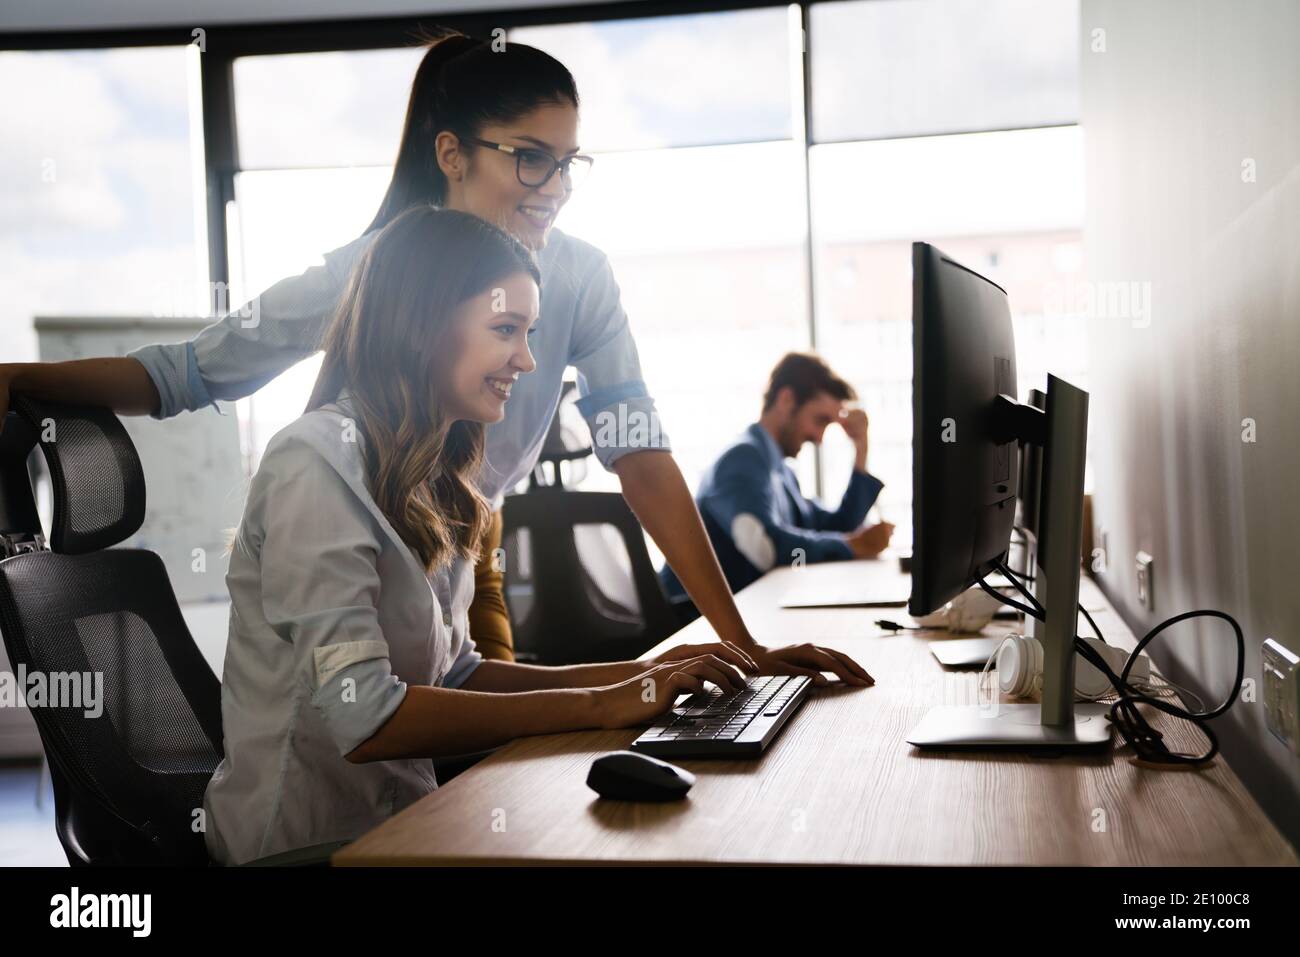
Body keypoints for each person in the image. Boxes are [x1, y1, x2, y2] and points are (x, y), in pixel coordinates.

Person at [0, 30, 868, 687]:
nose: (554, 189)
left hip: (469, 547)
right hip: (361, 555)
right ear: (451, 153)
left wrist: (743, 649)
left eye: (568, 164)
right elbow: (184, 373)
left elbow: (639, 455)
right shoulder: (371, 270)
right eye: (530, 160)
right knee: (419, 763)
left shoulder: (581, 277)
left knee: (496, 766)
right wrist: (15, 384)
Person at [208, 205, 767, 864]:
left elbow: (459, 674)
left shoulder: (436, 475)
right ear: (422, 325)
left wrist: (642, 674)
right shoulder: (314, 462)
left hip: (407, 826)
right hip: (307, 847)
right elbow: (366, 714)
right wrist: (600, 703)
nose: (528, 360)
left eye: (530, 332)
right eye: (506, 329)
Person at [661, 353, 894, 612]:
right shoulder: (742, 459)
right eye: (820, 420)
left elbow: (837, 527)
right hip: (695, 624)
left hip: (748, 614)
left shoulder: (780, 470)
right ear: (786, 400)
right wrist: (851, 545)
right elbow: (766, 547)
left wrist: (861, 448)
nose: (819, 438)